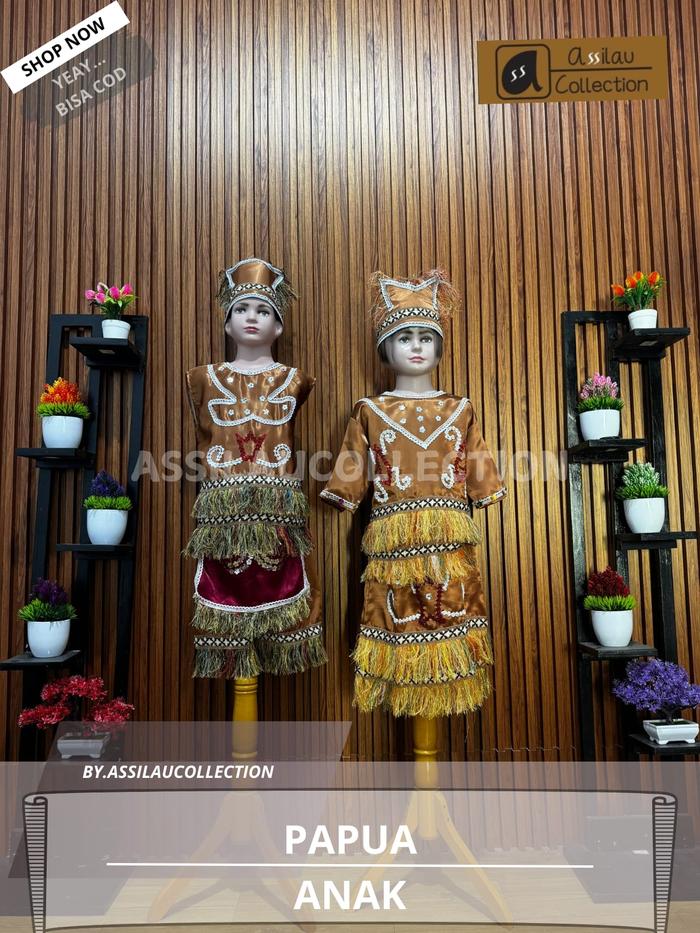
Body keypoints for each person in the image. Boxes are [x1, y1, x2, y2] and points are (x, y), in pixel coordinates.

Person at [321, 269, 506, 717]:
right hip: (393, 550)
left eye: (425, 337)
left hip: (450, 549)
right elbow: (348, 479)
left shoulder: (460, 409)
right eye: (405, 338)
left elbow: (482, 478)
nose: (416, 346)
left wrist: (482, 489)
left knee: (452, 618)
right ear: (387, 348)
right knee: (396, 623)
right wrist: (345, 491)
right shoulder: (369, 411)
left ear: (439, 346)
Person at [183, 257, 326, 679]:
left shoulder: (295, 380)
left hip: (279, 519)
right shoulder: (203, 378)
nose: (251, 317)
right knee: (222, 593)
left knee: (285, 587)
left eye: (263, 311)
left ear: (278, 327)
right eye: (242, 309)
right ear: (227, 323)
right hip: (221, 523)